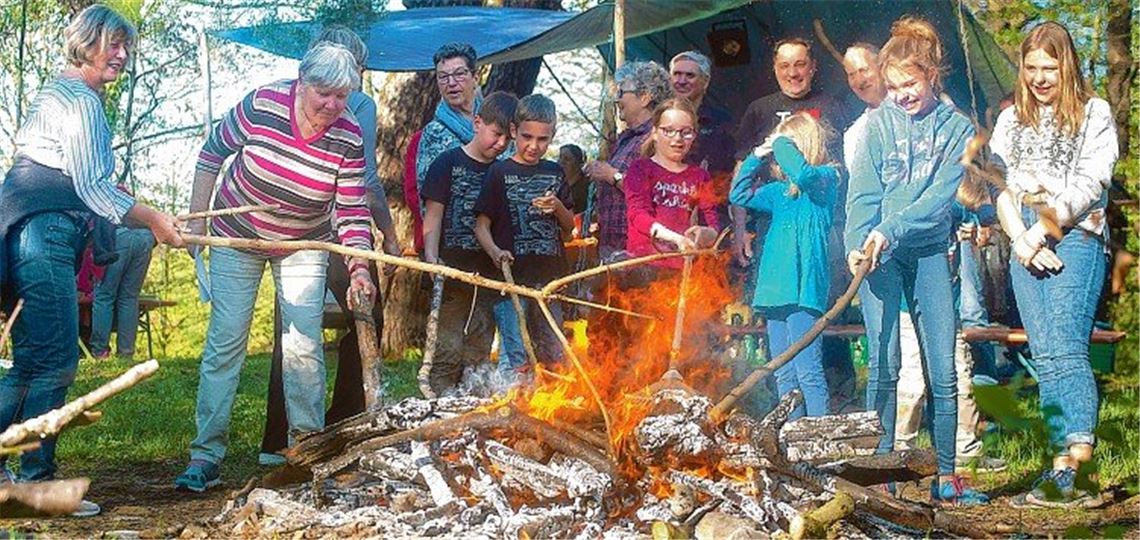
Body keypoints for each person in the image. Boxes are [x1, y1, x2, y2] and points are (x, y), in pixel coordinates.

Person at [0, 4, 183, 517]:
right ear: (84, 43)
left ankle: (10, 477)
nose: (121, 54)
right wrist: (152, 219)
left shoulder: (57, 94)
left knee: (33, 360)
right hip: (45, 234)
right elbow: (93, 187)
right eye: (112, 43)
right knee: (55, 361)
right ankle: (35, 486)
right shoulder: (79, 100)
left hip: (30, 231)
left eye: (127, 46)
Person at [177, 42, 375, 492]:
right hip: (236, 233)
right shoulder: (262, 104)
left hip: (304, 241)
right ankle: (205, 455)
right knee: (226, 342)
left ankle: (304, 451)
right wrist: (193, 221)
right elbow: (212, 155)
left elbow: (351, 211)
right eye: (323, 93)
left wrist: (359, 266)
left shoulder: (348, 135)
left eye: (342, 96)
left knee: (304, 345)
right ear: (301, 82)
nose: (332, 105)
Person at [844, 16, 987, 505]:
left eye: (911, 84)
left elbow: (937, 201)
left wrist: (890, 228)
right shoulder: (876, 125)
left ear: (931, 76)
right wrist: (856, 241)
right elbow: (862, 192)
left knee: (941, 366)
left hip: (927, 251)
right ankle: (877, 472)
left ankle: (947, 473)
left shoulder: (957, 128)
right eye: (894, 86)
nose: (903, 94)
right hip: (879, 258)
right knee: (882, 364)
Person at [258, 27, 403, 466]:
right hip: (335, 232)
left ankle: (275, 440)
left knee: (293, 328)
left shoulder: (295, 95)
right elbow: (368, 184)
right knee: (366, 315)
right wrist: (388, 236)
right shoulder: (357, 103)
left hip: (294, 230)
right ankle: (345, 421)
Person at [991, 21, 1118, 508]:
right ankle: (1057, 466)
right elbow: (996, 182)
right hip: (1021, 231)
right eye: (1032, 67)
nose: (1041, 77)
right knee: (1044, 356)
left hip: (1074, 233)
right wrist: (1018, 239)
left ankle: (1077, 469)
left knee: (1066, 349)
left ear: (1068, 65)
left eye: (1051, 66)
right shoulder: (1009, 120)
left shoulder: (1094, 112)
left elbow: (1090, 184)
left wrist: (1040, 232)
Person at [894, 177, 1008, 474]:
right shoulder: (922, 205)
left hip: (948, 311)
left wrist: (977, 225)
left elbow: (984, 213)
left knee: (960, 378)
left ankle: (966, 450)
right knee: (913, 381)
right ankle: (899, 451)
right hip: (911, 308)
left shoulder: (961, 214)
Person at [729, 112, 838, 419]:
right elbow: (739, 194)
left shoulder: (827, 180)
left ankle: (817, 438)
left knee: (809, 371)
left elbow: (803, 175)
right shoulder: (777, 193)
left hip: (805, 292)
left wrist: (781, 142)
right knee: (782, 372)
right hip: (775, 290)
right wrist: (755, 157)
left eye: (786, 146)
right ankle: (791, 436)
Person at [421, 91, 522, 393]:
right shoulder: (447, 163)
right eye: (496, 134)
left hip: (488, 275)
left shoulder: (503, 171)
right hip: (452, 270)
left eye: (508, 138)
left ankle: (470, 407)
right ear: (478, 123)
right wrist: (430, 256)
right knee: (447, 346)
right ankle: (437, 403)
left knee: (478, 346)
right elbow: (434, 214)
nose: (501, 144)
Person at [474, 94, 574, 366]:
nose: (534, 146)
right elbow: (481, 224)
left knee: (554, 350)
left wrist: (557, 208)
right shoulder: (499, 172)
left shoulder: (555, 172)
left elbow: (569, 228)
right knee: (514, 352)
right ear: (514, 131)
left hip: (551, 277)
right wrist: (495, 252)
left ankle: (555, 405)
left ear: (553, 135)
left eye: (543, 139)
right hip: (511, 280)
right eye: (527, 137)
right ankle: (511, 404)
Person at [733, 37, 850, 268]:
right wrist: (740, 230)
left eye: (800, 64)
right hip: (773, 219)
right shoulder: (759, 110)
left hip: (823, 221)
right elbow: (741, 169)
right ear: (775, 68)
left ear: (813, 66)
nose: (793, 73)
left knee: (825, 293)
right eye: (785, 65)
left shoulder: (834, 107)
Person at [583, 61, 673, 260]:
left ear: (645, 97)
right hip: (612, 245)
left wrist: (611, 175)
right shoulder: (625, 138)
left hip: (640, 248)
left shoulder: (657, 136)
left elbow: (659, 191)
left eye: (622, 92)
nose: (617, 99)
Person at [624, 98, 720, 274]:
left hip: (683, 271)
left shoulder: (700, 176)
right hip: (644, 267)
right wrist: (676, 238)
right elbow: (637, 216)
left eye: (686, 132)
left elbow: (712, 223)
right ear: (654, 133)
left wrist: (705, 234)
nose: (678, 138)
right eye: (668, 131)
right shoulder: (640, 169)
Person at [416, 42, 482, 217]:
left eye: (459, 74)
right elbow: (427, 201)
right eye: (443, 77)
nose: (451, 83)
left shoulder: (497, 124)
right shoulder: (433, 134)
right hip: (453, 236)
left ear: (475, 78)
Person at [89, 223, 155, 359]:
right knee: (129, 298)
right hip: (145, 236)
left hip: (116, 235)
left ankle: (100, 352)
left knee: (104, 296)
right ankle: (126, 353)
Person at [559, 144, 590, 216]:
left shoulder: (587, 187)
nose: (561, 162)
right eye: (560, 157)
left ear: (579, 164)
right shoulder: (558, 185)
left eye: (567, 159)